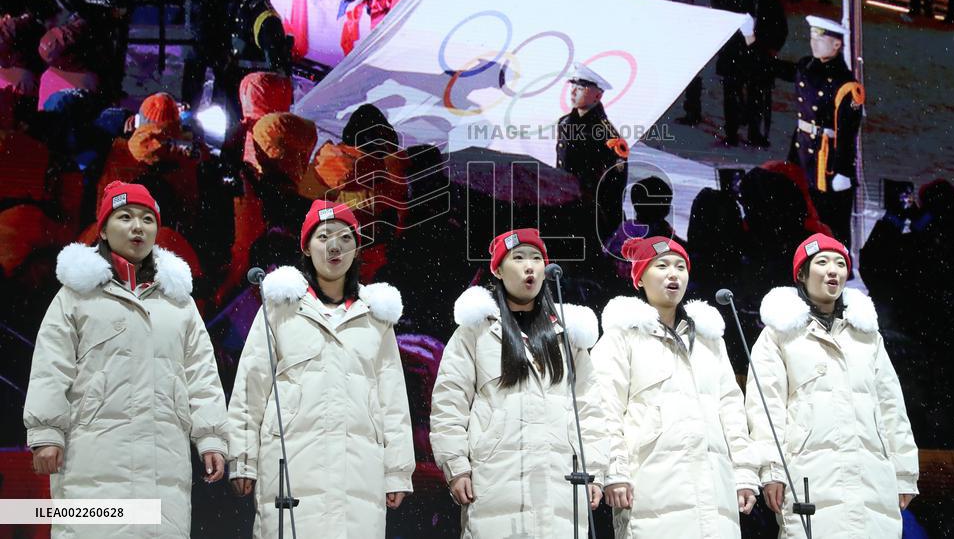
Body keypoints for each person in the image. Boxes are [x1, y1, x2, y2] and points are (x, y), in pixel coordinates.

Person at [23, 181, 228, 538]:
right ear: (103, 229)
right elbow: (51, 365)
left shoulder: (179, 302)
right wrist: (46, 432)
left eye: (148, 219)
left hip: (164, 460)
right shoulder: (76, 295)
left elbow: (202, 373)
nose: (138, 227)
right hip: (92, 454)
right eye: (125, 217)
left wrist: (211, 437)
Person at [228, 200, 415, 537]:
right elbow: (250, 386)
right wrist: (242, 458)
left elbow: (393, 401)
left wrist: (398, 471)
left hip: (359, 474)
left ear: (356, 248)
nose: (334, 246)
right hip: (291, 467)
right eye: (324, 236)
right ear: (306, 247)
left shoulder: (376, 318)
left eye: (345, 237)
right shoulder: (279, 308)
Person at [430, 228, 606, 537]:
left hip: (560, 489)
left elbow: (589, 409)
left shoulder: (567, 338)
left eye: (537, 259)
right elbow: (449, 402)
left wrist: (595, 472)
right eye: (519, 258)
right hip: (494, 485)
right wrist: (456, 466)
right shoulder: (475, 332)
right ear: (498, 270)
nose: (530, 267)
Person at [745, 233, 919, 538]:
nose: (833, 270)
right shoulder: (779, 334)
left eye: (840, 263)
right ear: (801, 274)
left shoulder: (868, 336)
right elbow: (765, 408)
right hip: (810, 475)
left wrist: (904, 472)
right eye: (822, 262)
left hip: (872, 478)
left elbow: (891, 406)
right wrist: (771, 469)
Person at [592, 236, 758, 537]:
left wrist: (745, 472)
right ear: (640, 278)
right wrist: (615, 470)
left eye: (680, 267)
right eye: (662, 266)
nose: (674, 274)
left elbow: (732, 409)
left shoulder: (710, 340)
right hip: (651, 489)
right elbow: (604, 407)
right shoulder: (622, 336)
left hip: (715, 492)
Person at [784, 16, 863, 247]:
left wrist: (843, 171)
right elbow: (772, 68)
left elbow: (848, 131)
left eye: (820, 39)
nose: (813, 43)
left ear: (837, 44)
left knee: (831, 220)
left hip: (827, 161)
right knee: (801, 210)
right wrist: (750, 38)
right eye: (812, 38)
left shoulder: (846, 85)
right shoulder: (806, 67)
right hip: (802, 151)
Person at [712, 0, 788, 147]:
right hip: (733, 53)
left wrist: (773, 47)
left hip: (758, 53)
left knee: (757, 96)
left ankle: (755, 133)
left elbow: (780, 26)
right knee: (731, 94)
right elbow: (719, 10)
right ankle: (731, 133)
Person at [556, 63, 628, 248]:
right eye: (573, 86)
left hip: (590, 215)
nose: (573, 92)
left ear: (598, 96)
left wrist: (605, 222)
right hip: (564, 206)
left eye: (580, 88)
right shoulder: (565, 123)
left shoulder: (607, 134)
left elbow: (614, 187)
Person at [225, 0, 289, 138]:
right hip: (238, 81)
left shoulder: (266, 16)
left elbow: (275, 62)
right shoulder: (242, 6)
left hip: (254, 87)